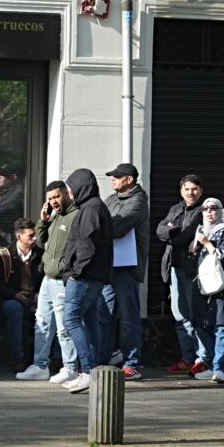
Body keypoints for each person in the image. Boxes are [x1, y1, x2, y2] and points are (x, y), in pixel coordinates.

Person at [16, 181, 79, 383]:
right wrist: (43, 221)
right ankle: (40, 365)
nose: (54, 201)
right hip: (48, 279)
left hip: (62, 280)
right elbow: (42, 242)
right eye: (50, 198)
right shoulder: (54, 217)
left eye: (57, 197)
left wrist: (69, 272)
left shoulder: (74, 216)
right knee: (42, 323)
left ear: (66, 194)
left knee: (63, 327)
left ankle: (70, 367)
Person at [60, 169, 113, 393]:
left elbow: (87, 243)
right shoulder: (95, 206)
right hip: (93, 275)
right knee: (90, 321)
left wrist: (76, 271)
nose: (70, 194)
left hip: (85, 275)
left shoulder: (91, 208)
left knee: (71, 318)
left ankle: (88, 371)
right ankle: (93, 371)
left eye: (72, 189)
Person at [99, 163, 150, 380]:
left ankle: (131, 363)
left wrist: (98, 226)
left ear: (129, 179)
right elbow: (99, 219)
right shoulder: (111, 199)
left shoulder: (138, 201)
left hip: (127, 268)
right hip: (109, 266)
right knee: (104, 314)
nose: (112, 180)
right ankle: (105, 357)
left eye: (116, 177)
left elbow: (116, 226)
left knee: (129, 316)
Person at [156, 174, 210, 376]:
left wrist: (174, 232)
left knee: (196, 316)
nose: (191, 192)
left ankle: (202, 359)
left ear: (201, 191)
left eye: (195, 189)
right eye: (187, 189)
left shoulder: (205, 210)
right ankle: (188, 359)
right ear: (181, 191)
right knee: (180, 316)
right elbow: (159, 230)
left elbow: (188, 236)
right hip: (175, 268)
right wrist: (176, 232)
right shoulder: (176, 209)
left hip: (194, 271)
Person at [0, 218, 44, 375]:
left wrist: (38, 295)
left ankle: (52, 358)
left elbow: (45, 279)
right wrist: (15, 295)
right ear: (18, 236)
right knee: (14, 309)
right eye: (30, 235)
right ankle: (18, 358)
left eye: (34, 235)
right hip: (11, 299)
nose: (34, 238)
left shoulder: (41, 255)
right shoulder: (5, 255)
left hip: (35, 297)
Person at [189, 198, 224, 383]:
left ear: (220, 211)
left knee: (222, 326)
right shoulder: (200, 230)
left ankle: (220, 368)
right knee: (203, 324)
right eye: (205, 208)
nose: (209, 211)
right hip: (202, 286)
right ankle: (214, 365)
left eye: (213, 208)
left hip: (221, 286)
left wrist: (206, 243)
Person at [0, 163, 24, 241]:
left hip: (12, 237)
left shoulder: (17, 193)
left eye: (3, 175)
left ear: (13, 177)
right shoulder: (9, 192)